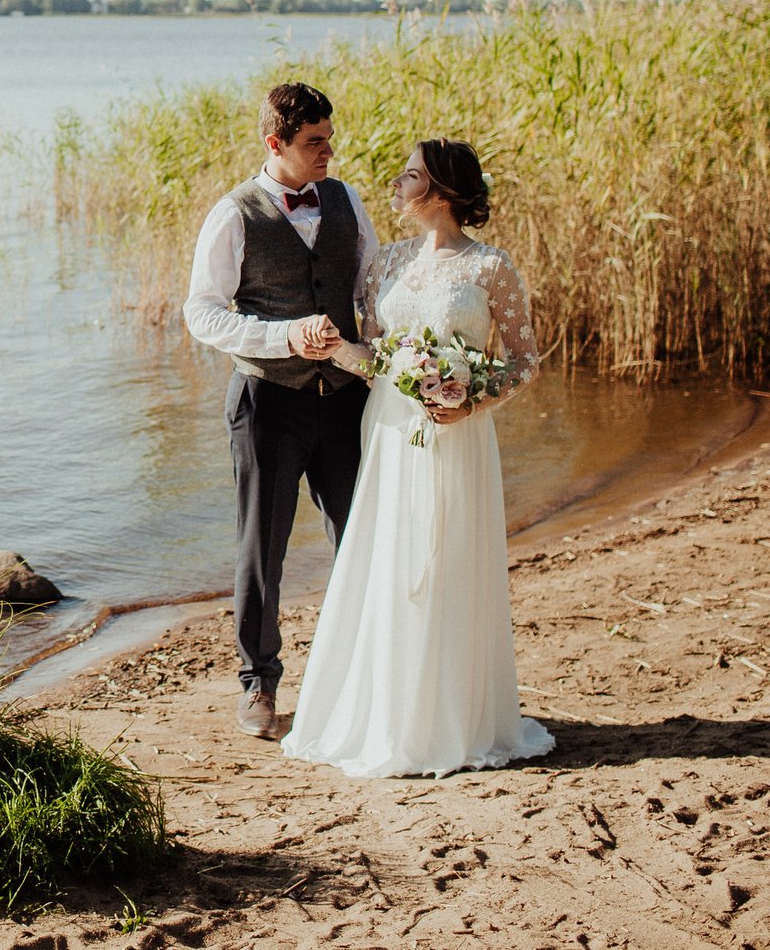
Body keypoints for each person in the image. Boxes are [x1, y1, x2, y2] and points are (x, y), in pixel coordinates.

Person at [281, 139, 554, 776]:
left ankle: (455, 720)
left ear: (440, 190)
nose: (396, 184)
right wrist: (332, 349)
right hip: (391, 431)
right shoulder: (385, 265)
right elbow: (377, 359)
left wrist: (471, 399)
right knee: (390, 560)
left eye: (408, 176)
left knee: (449, 559)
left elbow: (523, 360)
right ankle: (390, 714)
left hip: (458, 435)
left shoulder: (491, 268)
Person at [183, 82, 378, 740]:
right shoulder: (234, 214)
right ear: (276, 144)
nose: (329, 151)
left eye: (329, 137)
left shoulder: (348, 201)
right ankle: (259, 686)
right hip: (268, 402)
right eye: (314, 142)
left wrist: (376, 354)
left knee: (359, 539)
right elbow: (201, 310)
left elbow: (368, 289)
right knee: (261, 549)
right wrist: (282, 336)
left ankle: (362, 671)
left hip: (347, 402)